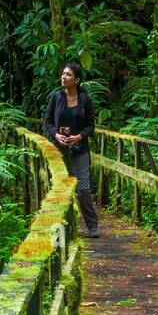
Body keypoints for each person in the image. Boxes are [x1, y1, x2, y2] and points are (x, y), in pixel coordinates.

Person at [42, 61, 99, 237]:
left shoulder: (84, 100)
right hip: (58, 150)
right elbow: (47, 122)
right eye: (63, 74)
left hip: (79, 148)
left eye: (68, 75)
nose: (64, 77)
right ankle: (63, 230)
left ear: (77, 80)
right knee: (60, 187)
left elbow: (91, 126)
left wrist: (79, 136)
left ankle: (92, 226)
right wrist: (56, 135)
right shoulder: (56, 97)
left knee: (83, 189)